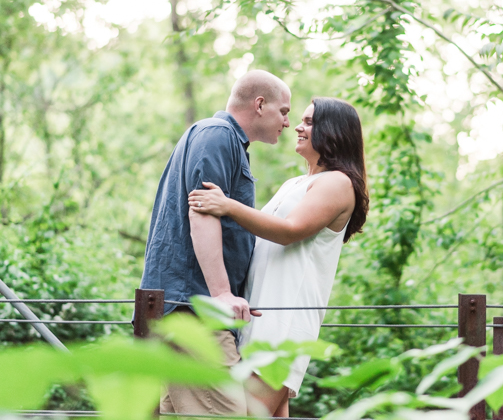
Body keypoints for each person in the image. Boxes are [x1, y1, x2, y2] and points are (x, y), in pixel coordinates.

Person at [188, 97, 369, 417]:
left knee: (247, 414)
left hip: (284, 322)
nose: (298, 127)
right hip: (259, 315)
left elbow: (289, 230)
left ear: (334, 131)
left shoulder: (338, 183)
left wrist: (227, 205)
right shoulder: (296, 183)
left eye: (310, 122)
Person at [138, 69, 291, 415]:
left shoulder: (222, 139)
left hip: (190, 310)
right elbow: (201, 211)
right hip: (196, 312)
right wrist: (222, 294)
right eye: (284, 111)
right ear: (260, 104)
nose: (287, 122)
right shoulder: (218, 135)